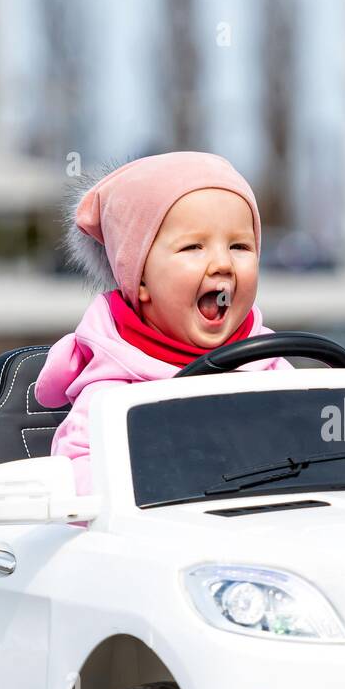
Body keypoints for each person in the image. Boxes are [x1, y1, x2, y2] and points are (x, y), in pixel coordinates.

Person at [36, 152, 292, 494]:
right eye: (193, 247)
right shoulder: (112, 394)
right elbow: (78, 484)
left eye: (240, 246)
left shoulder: (272, 367)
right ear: (140, 280)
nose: (222, 264)